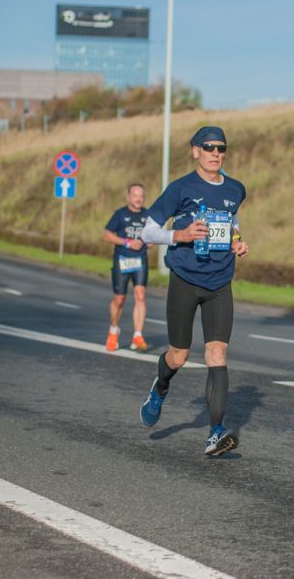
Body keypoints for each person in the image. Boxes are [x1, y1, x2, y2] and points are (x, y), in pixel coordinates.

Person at [138, 126, 249, 456]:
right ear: (195, 151)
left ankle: (215, 432)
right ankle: (160, 387)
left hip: (220, 282)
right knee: (179, 355)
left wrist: (237, 242)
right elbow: (147, 231)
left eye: (221, 148)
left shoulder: (235, 189)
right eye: (209, 147)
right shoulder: (180, 188)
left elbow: (232, 221)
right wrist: (180, 236)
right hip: (185, 279)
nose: (216, 153)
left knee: (217, 354)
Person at [103, 183, 151, 352]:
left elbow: (153, 236)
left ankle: (137, 335)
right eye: (135, 195)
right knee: (119, 299)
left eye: (141, 196)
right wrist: (127, 242)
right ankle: (113, 330)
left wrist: (148, 241)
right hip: (122, 260)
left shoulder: (147, 215)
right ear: (128, 197)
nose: (138, 199)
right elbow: (107, 234)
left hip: (140, 260)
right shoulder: (120, 214)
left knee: (140, 295)